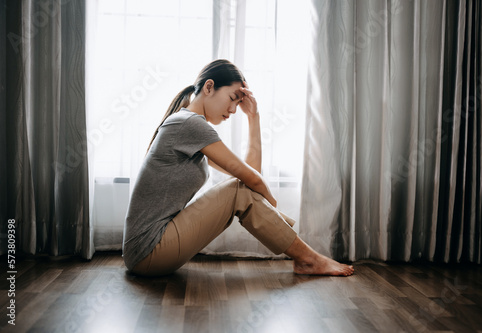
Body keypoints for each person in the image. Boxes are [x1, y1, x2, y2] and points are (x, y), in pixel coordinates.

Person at [122, 59, 354, 277]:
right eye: (233, 98)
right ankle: (309, 259)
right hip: (148, 251)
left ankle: (306, 258)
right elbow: (250, 181)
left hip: (147, 252)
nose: (233, 110)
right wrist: (271, 204)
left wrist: (253, 118)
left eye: (237, 103)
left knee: (240, 189)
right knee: (238, 190)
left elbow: (250, 174)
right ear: (209, 87)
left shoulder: (188, 126)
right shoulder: (190, 124)